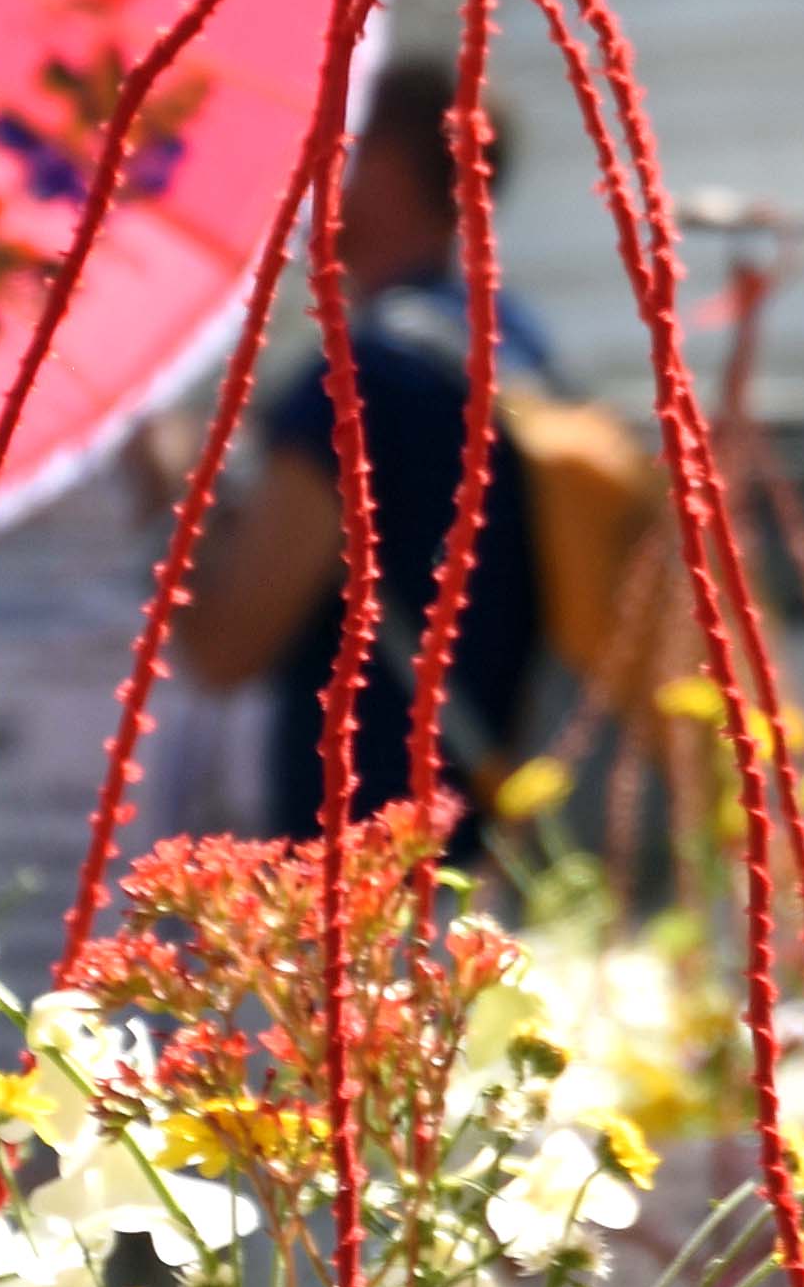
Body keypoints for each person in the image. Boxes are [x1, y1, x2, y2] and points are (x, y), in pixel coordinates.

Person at [173, 52, 548, 837]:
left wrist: (165, 474)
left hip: (367, 873)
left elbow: (227, 644)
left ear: (384, 166)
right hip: (498, 847)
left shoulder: (359, 382)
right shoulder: (515, 346)